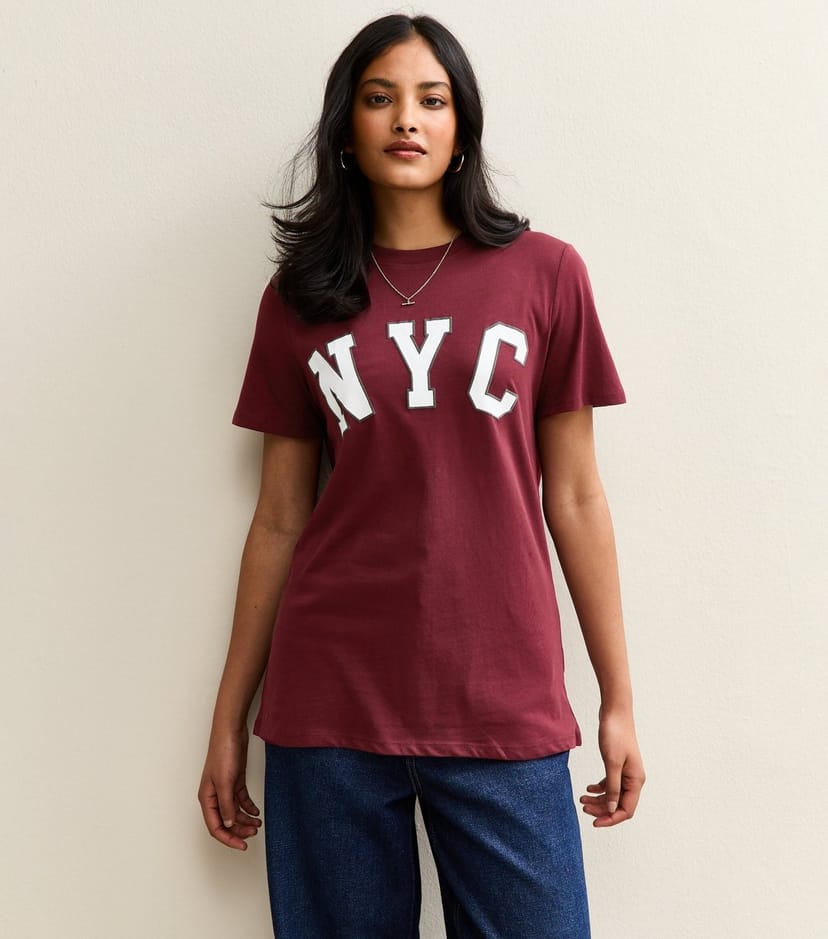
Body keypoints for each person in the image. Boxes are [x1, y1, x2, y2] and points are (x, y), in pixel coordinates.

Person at [198, 12, 645, 938]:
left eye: (432, 99)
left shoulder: (546, 274)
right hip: (327, 704)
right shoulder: (301, 296)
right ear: (347, 129)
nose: (407, 118)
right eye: (380, 98)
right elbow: (280, 517)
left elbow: (574, 495)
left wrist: (618, 697)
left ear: (461, 127)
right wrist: (229, 715)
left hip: (502, 698)